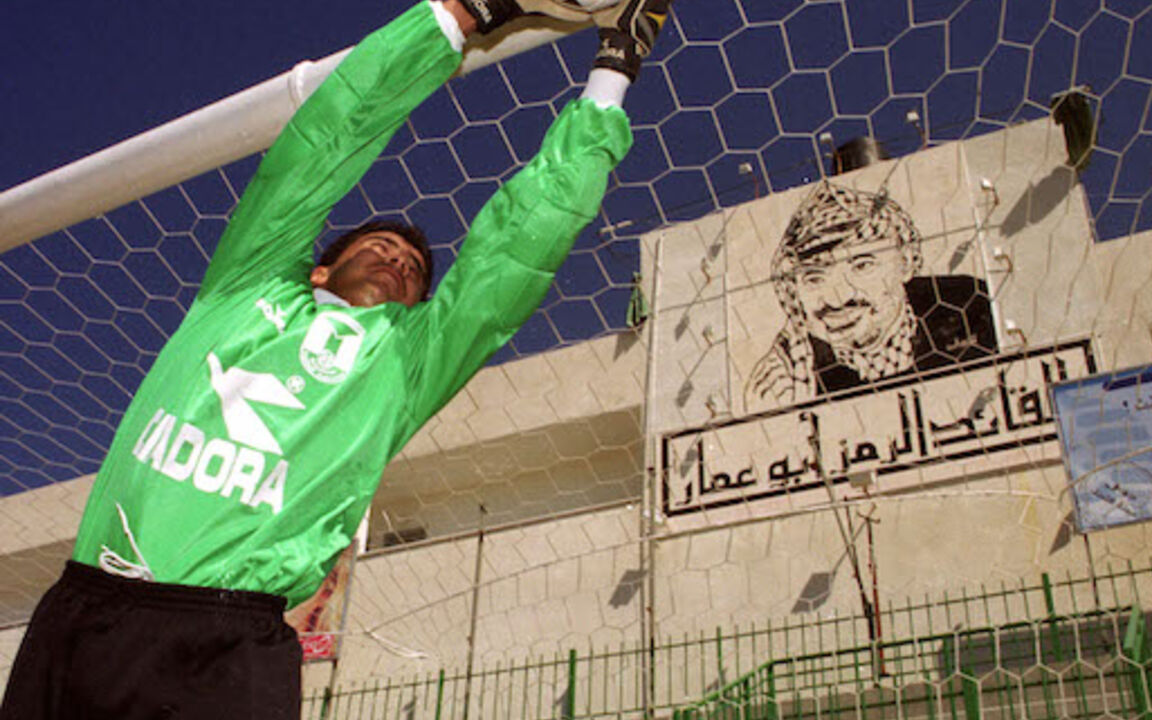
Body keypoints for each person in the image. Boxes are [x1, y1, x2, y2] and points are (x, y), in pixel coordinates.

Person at [0, 0, 671, 716]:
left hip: (227, 645)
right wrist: (462, 15)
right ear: (318, 270)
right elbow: (317, 149)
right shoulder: (246, 283)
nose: (400, 259)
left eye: (415, 267)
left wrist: (612, 73)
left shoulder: (406, 361)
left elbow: (516, 252)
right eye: (379, 245)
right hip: (84, 610)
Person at [745, 181, 997, 413]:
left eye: (862, 266)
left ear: (906, 261)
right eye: (815, 278)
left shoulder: (971, 306)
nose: (838, 298)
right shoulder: (790, 375)